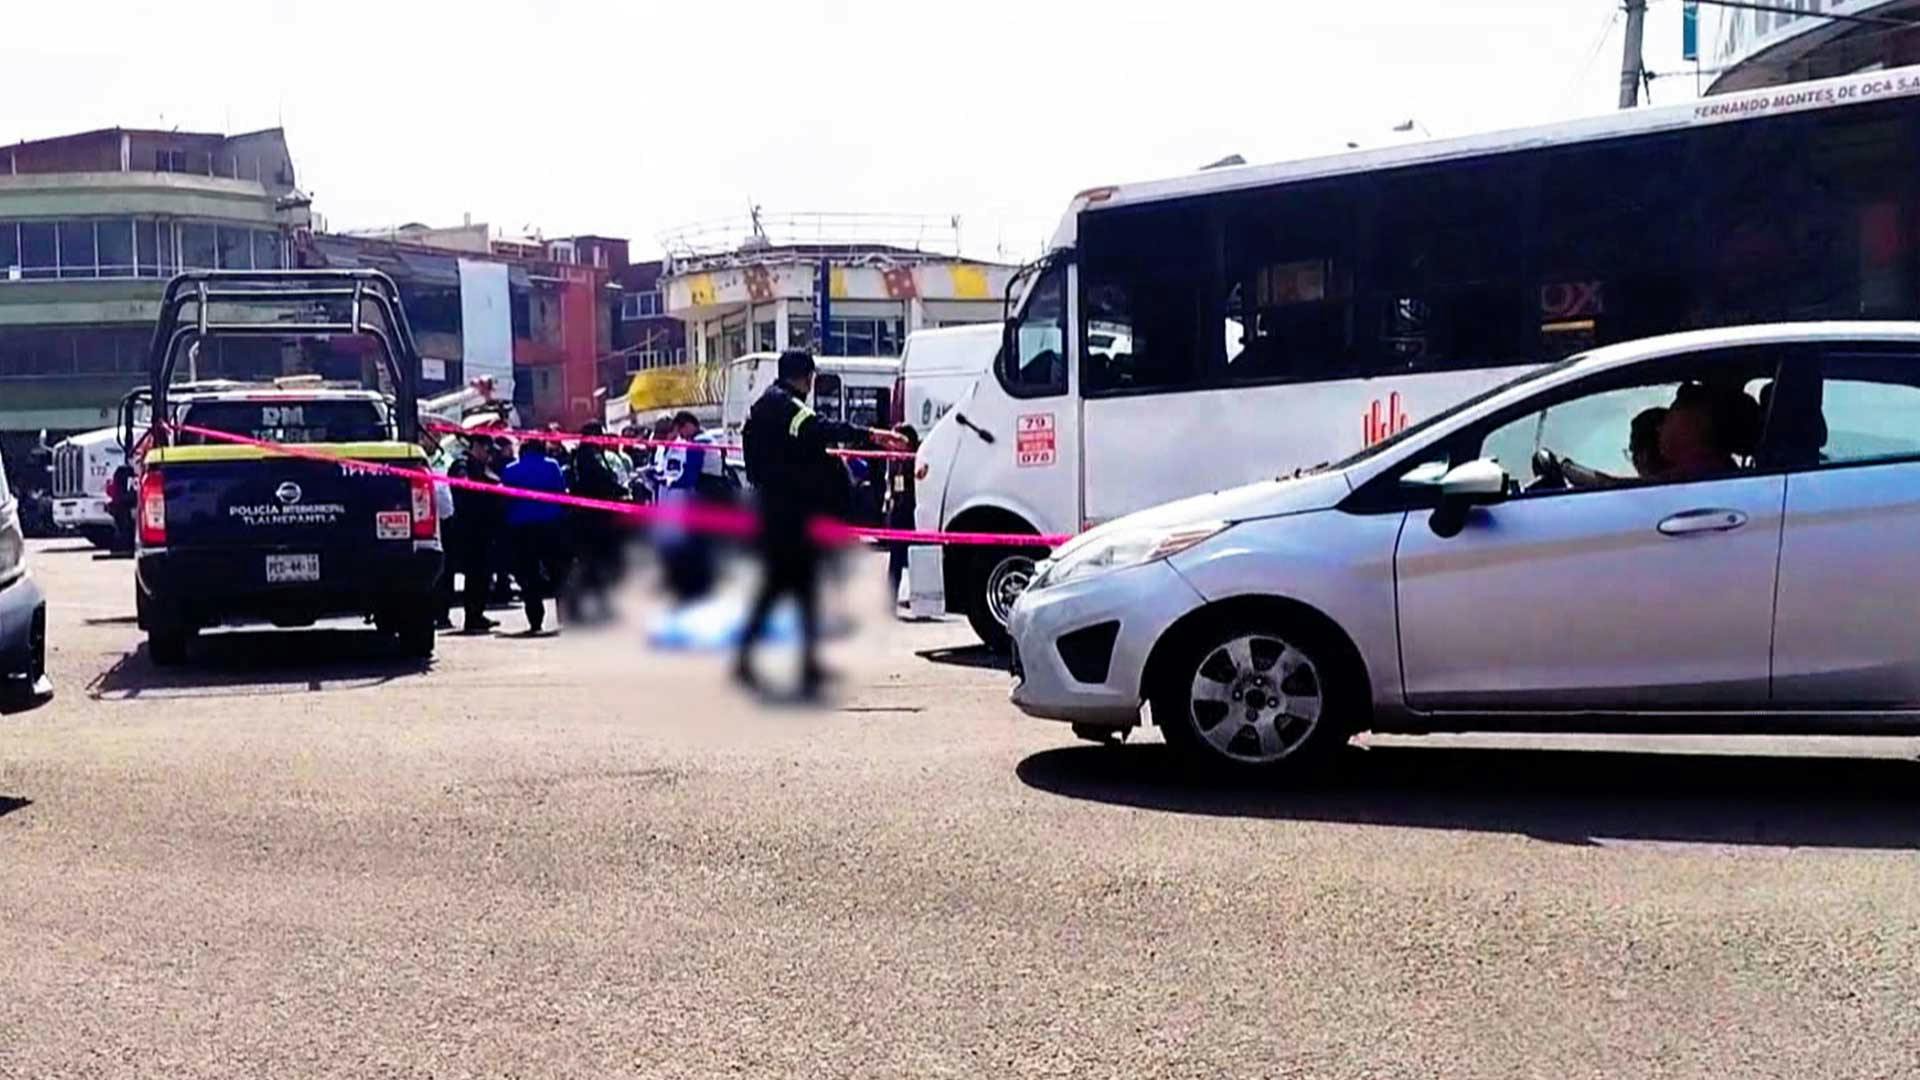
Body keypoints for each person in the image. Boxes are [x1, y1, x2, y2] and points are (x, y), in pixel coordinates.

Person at [734, 350, 905, 695]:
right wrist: (871, 434)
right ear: (806, 376)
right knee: (787, 587)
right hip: (788, 515)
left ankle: (797, 664)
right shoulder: (786, 406)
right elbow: (818, 429)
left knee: (794, 589)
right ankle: (762, 661)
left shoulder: (767, 405)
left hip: (782, 512)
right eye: (811, 377)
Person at [501, 439, 571, 634]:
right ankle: (565, 614)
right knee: (558, 570)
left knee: (529, 575)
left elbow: (506, 500)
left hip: (521, 528)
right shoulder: (552, 466)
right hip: (550, 525)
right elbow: (560, 492)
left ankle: (535, 620)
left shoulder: (510, 470)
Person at [568, 421, 626, 623]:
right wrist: (617, 488)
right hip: (593, 517)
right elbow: (600, 480)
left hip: (589, 516)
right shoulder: (588, 456)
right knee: (596, 563)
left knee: (591, 563)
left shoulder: (584, 454)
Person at [447, 436, 503, 633]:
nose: (489, 455)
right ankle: (472, 616)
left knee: (483, 575)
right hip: (470, 530)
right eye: (487, 450)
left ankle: (477, 614)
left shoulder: (481, 467)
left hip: (484, 530)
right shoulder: (462, 465)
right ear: (476, 447)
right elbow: (464, 486)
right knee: (475, 575)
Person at [884, 424, 921, 612]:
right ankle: (891, 600)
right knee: (897, 560)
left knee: (912, 558)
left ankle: (918, 598)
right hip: (898, 514)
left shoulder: (916, 460)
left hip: (912, 513)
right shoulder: (894, 461)